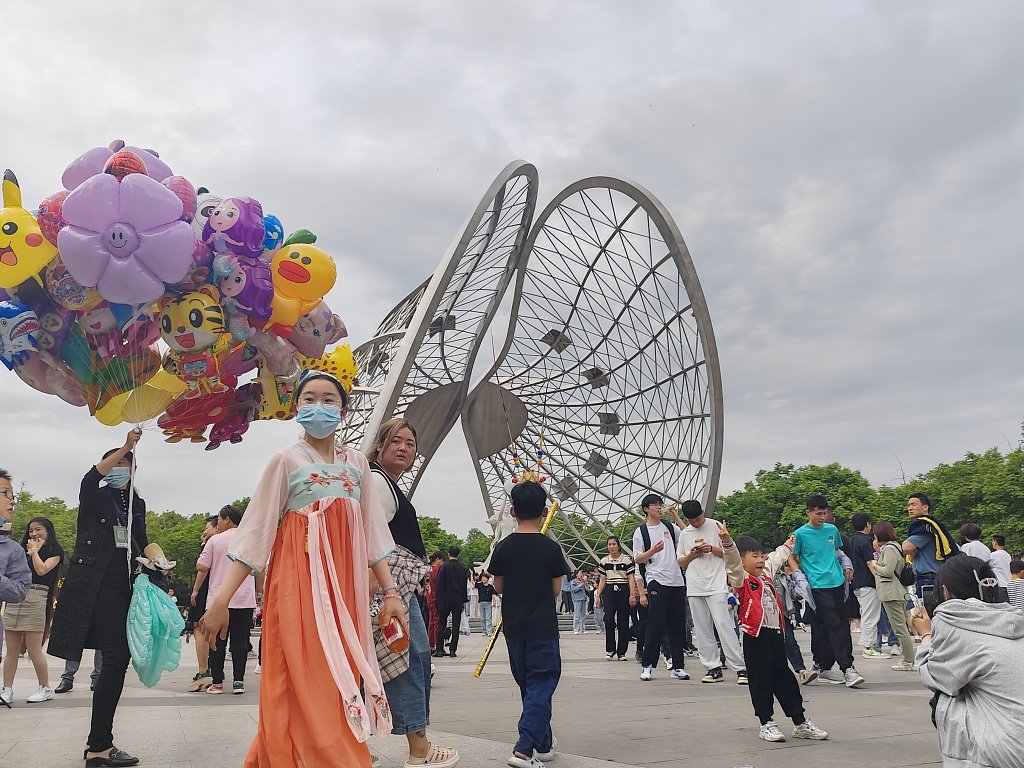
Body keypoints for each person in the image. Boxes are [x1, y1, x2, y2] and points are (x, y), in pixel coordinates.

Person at [200, 371, 407, 768]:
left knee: (337, 672)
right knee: (299, 671)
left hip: (345, 591)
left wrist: (391, 593)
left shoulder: (357, 464)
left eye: (329, 400)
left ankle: (329, 753)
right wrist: (221, 600)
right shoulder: (285, 460)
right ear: (297, 408)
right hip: (296, 584)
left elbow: (374, 536)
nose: (319, 407)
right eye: (309, 398)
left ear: (343, 410)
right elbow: (257, 532)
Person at [48, 430, 147, 767]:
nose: (120, 466)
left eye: (127, 464)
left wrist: (156, 557)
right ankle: (99, 745)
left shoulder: (137, 502)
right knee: (115, 657)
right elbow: (91, 477)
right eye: (115, 462)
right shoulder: (95, 494)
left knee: (118, 661)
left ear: (135, 471)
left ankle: (99, 745)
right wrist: (126, 445)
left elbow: (142, 540)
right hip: (94, 583)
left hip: (125, 585)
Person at [367, 417, 458, 768]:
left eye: (410, 442)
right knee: (408, 660)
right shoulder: (377, 482)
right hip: (392, 589)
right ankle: (419, 747)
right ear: (379, 446)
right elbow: (371, 541)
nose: (404, 447)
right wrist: (378, 589)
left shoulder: (384, 483)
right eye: (396, 441)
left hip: (393, 586)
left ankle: (354, 742)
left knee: (394, 661)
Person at [488, 481, 572, 768]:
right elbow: (556, 591)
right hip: (542, 626)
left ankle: (544, 742)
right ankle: (524, 748)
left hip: (514, 627)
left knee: (530, 685)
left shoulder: (503, 547)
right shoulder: (551, 548)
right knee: (543, 682)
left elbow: (498, 587)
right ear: (544, 511)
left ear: (512, 511)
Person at [912, 555, 1024, 768]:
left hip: (1008, 751)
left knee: (945, 695)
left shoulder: (952, 616)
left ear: (945, 591)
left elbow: (933, 676)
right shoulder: (1013, 617)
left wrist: (926, 636)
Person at [721, 526, 829, 743]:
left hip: (774, 635)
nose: (761, 559)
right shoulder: (741, 579)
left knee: (785, 679)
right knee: (760, 681)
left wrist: (790, 543)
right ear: (743, 561)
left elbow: (777, 557)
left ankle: (800, 722)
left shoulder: (766, 575)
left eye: (762, 555)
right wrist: (727, 542)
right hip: (754, 636)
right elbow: (731, 561)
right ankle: (766, 722)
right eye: (755, 556)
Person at [789, 494, 864, 688]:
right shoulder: (800, 534)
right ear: (809, 512)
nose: (822, 517)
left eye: (824, 513)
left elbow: (837, 551)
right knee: (835, 624)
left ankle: (822, 664)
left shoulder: (832, 530)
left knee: (829, 625)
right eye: (818, 513)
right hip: (816, 585)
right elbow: (791, 557)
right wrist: (799, 576)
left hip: (838, 582)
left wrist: (847, 564)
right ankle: (848, 668)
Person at [676, 500, 747, 684]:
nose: (696, 523)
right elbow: (681, 562)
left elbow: (731, 554)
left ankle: (740, 667)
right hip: (695, 585)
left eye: (698, 519)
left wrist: (712, 548)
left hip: (716, 584)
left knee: (724, 625)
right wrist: (693, 553)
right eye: (692, 521)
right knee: (702, 629)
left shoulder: (716, 526)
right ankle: (712, 667)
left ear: (703, 512)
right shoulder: (685, 534)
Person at [194, 504, 255, 695]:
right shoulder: (249, 538)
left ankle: (217, 683)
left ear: (227, 519)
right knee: (240, 641)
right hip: (244, 598)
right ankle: (238, 682)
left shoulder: (215, 540)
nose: (217, 523)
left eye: (219, 520)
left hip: (218, 600)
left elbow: (202, 567)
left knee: (216, 641)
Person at [2, 516, 63, 703]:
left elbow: (42, 570)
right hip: (15, 597)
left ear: (48, 531)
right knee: (11, 649)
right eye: (31, 530)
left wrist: (35, 552)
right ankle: (7, 689)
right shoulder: (19, 550)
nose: (34, 533)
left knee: (33, 648)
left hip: (37, 597)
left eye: (38, 530)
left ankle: (45, 687)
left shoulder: (55, 551)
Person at [631, 494, 689, 682]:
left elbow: (688, 533)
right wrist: (653, 551)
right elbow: (638, 559)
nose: (658, 507)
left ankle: (678, 666)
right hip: (656, 579)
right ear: (646, 508)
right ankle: (647, 665)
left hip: (676, 580)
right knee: (655, 624)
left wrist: (675, 516)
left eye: (660, 504)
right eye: (654, 504)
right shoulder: (641, 532)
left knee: (677, 624)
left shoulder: (670, 528)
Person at [0, 469, 31, 705]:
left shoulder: (12, 550)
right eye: (6, 493)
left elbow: (20, 590)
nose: (12, 501)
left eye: (13, 495)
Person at [872, 522, 917, 671]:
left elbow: (888, 571)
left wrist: (874, 565)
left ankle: (908, 660)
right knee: (900, 627)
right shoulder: (895, 547)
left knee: (899, 629)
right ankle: (907, 659)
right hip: (897, 592)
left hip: (892, 593)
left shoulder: (890, 549)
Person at [902, 492, 959, 603]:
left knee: (929, 613)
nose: (910, 508)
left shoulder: (924, 525)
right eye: (908, 505)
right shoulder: (935, 525)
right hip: (934, 575)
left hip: (929, 577)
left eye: (913, 504)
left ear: (925, 507)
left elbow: (906, 548)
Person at [185, 515, 220, 693]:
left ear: (216, 527)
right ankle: (216, 671)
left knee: (199, 627)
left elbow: (202, 569)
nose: (204, 531)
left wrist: (195, 590)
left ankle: (203, 670)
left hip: (206, 590)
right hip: (221, 591)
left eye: (207, 527)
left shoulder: (211, 544)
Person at [847, 513, 885, 660]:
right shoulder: (866, 541)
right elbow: (870, 562)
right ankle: (869, 647)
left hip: (857, 582)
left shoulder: (852, 540)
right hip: (868, 583)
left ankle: (866, 642)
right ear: (868, 524)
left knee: (865, 613)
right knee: (871, 615)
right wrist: (879, 577)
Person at [595, 536, 637, 661]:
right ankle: (610, 649)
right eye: (609, 544)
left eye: (614, 544)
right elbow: (602, 579)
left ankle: (621, 652)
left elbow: (631, 578)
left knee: (623, 621)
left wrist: (632, 594)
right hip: (609, 590)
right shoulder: (604, 561)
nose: (611, 546)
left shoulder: (626, 560)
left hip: (623, 589)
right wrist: (598, 595)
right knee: (608, 620)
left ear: (618, 546)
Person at [434, 547, 468, 657]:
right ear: (458, 555)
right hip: (457, 598)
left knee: (442, 623)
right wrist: (463, 600)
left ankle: (439, 649)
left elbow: (439, 585)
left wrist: (438, 600)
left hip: (445, 598)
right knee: (456, 624)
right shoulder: (462, 568)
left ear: (448, 554)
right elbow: (464, 586)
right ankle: (453, 649)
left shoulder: (444, 567)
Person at [426, 552, 444, 654]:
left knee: (431, 622)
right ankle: (437, 643)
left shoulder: (428, 569)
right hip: (436, 597)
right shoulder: (437, 570)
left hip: (429, 598)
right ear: (438, 559)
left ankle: (431, 643)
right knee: (437, 621)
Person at [569, 569, 588, 634]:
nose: (581, 575)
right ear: (576, 574)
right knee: (577, 615)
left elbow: (588, 589)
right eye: (580, 573)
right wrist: (580, 585)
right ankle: (576, 629)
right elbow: (573, 589)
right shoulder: (573, 581)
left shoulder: (583, 581)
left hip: (584, 599)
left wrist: (585, 583)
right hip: (577, 599)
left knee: (583, 615)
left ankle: (582, 629)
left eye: (582, 573)